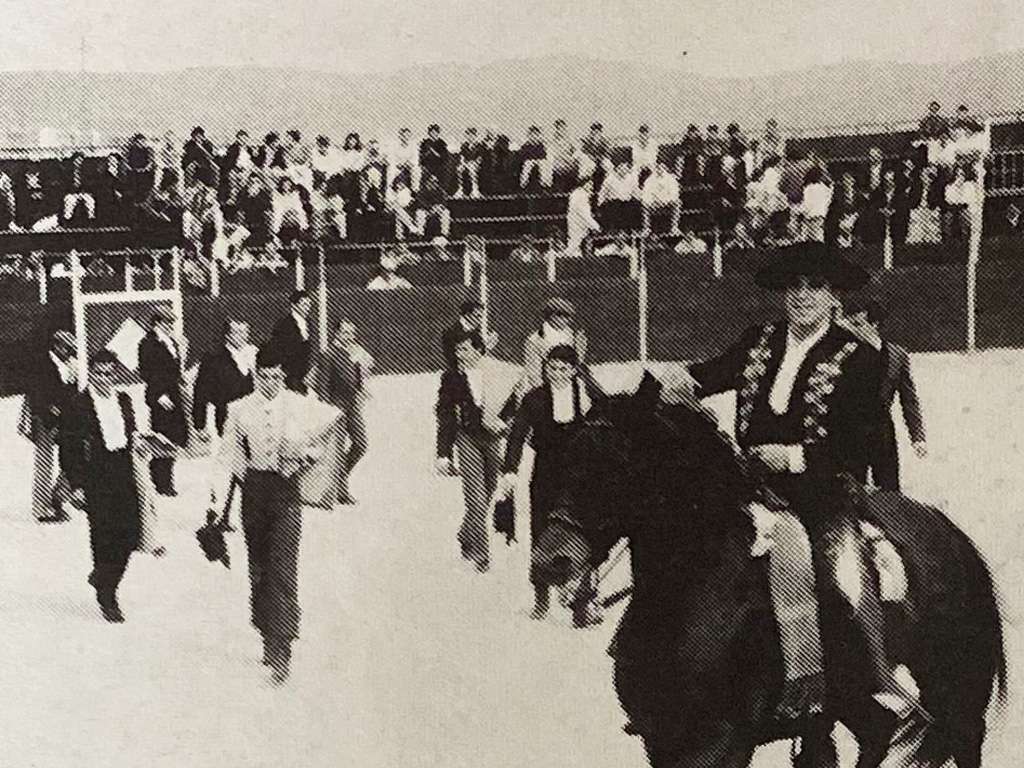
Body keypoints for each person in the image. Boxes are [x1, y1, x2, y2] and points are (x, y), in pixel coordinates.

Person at [677, 241, 920, 721]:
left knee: (836, 578)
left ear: (835, 296)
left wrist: (791, 456)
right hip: (749, 486)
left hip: (823, 493)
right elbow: (708, 376)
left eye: (815, 287)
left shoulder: (859, 357)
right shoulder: (759, 338)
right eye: (795, 287)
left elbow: (858, 445)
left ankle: (830, 681)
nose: (803, 296)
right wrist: (676, 378)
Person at [220, 346, 339, 684]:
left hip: (287, 493)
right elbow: (228, 457)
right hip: (254, 493)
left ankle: (283, 646)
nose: (270, 383)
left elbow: (327, 433)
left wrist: (307, 456)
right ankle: (266, 634)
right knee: (258, 570)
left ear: (284, 376)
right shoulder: (239, 409)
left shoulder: (300, 405)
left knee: (283, 569)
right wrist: (217, 506)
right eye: (264, 376)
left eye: (276, 377)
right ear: (255, 375)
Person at [499, 345, 605, 620]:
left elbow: (609, 419)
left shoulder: (586, 396)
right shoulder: (534, 398)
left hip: (582, 475)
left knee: (585, 534)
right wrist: (509, 469)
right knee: (541, 533)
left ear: (574, 370)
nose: (556, 374)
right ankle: (541, 598)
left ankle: (582, 601)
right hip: (546, 476)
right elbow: (517, 434)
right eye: (551, 368)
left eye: (563, 368)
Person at [59, 351, 149, 622]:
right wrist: (77, 484)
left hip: (124, 470)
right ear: (91, 373)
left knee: (131, 532)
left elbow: (131, 434)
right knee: (104, 535)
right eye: (99, 373)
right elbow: (68, 448)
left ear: (115, 374)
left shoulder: (123, 399)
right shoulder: (78, 404)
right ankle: (108, 596)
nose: (104, 378)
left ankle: (101, 575)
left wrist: (144, 444)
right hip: (96, 474)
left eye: (109, 373)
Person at [435, 332, 518, 573]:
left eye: (466, 350)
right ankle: (482, 555)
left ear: (479, 350)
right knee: (476, 497)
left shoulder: (497, 372)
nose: (460, 355)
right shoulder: (450, 377)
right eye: (457, 350)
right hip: (467, 438)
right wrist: (443, 453)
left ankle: (465, 532)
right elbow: (445, 415)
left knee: (490, 490)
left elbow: (510, 404)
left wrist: (504, 422)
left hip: (493, 439)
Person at [842, 298, 927, 491]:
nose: (852, 330)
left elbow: (909, 400)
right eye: (850, 325)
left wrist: (918, 437)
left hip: (882, 431)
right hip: (849, 432)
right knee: (849, 492)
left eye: (858, 325)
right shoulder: (843, 355)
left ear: (874, 324)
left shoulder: (897, 355)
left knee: (889, 492)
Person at [315, 320, 374, 505]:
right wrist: (326, 412)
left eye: (352, 333)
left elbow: (358, 380)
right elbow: (322, 387)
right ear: (337, 334)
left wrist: (361, 384)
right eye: (346, 333)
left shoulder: (354, 352)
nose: (350, 336)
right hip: (337, 407)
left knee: (361, 444)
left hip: (353, 405)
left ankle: (339, 479)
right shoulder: (328, 355)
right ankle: (341, 490)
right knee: (338, 450)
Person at [26, 330, 77, 523]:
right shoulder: (43, 364)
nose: (68, 351)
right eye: (66, 347)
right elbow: (36, 393)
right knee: (44, 461)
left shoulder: (69, 365)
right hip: (44, 419)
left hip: (65, 418)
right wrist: (50, 408)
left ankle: (59, 496)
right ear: (56, 346)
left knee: (72, 455)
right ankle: (41, 507)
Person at [138, 307, 188, 496]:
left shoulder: (171, 342)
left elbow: (174, 368)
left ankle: (165, 476)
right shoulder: (148, 343)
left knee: (175, 436)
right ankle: (161, 481)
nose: (170, 326)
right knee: (163, 436)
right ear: (157, 323)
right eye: (167, 322)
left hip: (173, 392)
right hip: (160, 396)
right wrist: (159, 395)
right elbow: (147, 371)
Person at [516, 298, 588, 401]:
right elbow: (533, 369)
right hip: (544, 379)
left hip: (569, 377)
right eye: (559, 316)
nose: (564, 320)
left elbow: (577, 363)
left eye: (567, 316)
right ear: (549, 317)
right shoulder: (535, 339)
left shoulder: (574, 335)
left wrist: (581, 348)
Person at [268, 290, 314, 394]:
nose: (308, 308)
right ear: (294, 305)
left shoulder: (309, 323)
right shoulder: (284, 324)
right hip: (289, 373)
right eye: (304, 304)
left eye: (309, 305)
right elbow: (279, 350)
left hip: (304, 373)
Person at [440, 299, 498, 369]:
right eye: (478, 316)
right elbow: (455, 361)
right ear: (467, 315)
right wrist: (485, 348)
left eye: (481, 317)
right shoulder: (450, 333)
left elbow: (479, 352)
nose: (480, 320)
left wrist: (486, 347)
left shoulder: (475, 331)